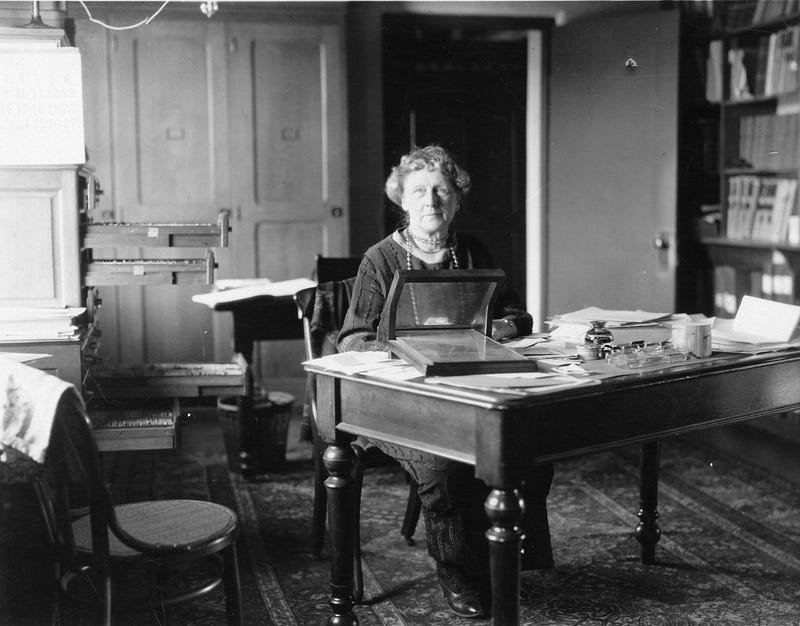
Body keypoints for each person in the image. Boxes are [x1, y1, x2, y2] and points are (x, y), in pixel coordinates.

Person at [337, 145, 554, 619]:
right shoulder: (380, 259)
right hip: (396, 400)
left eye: (442, 190)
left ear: (457, 198)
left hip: (466, 390)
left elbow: (518, 315)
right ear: (402, 200)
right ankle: (458, 572)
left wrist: (497, 329)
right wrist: (408, 349)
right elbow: (352, 339)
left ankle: (509, 560)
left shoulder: (471, 250)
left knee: (530, 450)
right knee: (443, 463)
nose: (431, 200)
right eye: (419, 191)